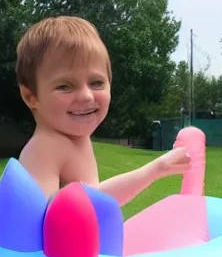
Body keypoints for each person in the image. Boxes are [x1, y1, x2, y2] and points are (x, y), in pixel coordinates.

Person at [16, 15, 190, 206]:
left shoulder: (73, 141)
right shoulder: (44, 149)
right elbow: (36, 226)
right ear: (31, 97)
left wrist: (157, 169)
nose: (86, 96)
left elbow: (96, 200)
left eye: (96, 83)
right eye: (65, 86)